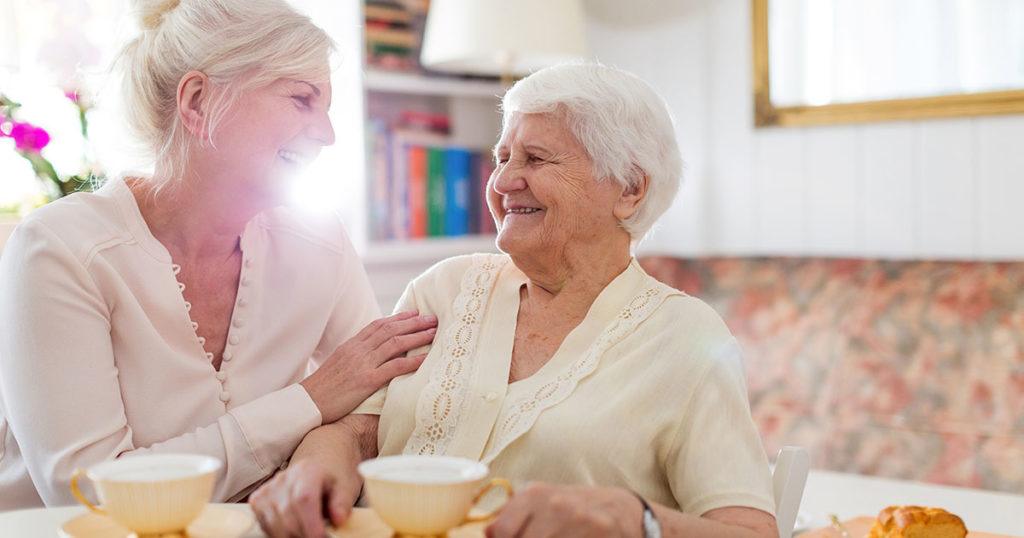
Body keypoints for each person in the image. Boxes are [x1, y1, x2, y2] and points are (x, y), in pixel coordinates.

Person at [250, 62, 778, 538]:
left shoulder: (688, 339)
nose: (502, 181)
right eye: (502, 157)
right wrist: (316, 467)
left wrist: (635, 519)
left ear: (629, 190)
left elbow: (750, 532)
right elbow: (358, 427)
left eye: (536, 159)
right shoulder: (443, 289)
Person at [0, 0, 436, 510]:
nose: (328, 133)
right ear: (198, 101)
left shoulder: (322, 243)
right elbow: (90, 493)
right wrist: (310, 400)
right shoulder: (61, 249)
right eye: (301, 99)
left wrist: (319, 456)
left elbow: (378, 401)